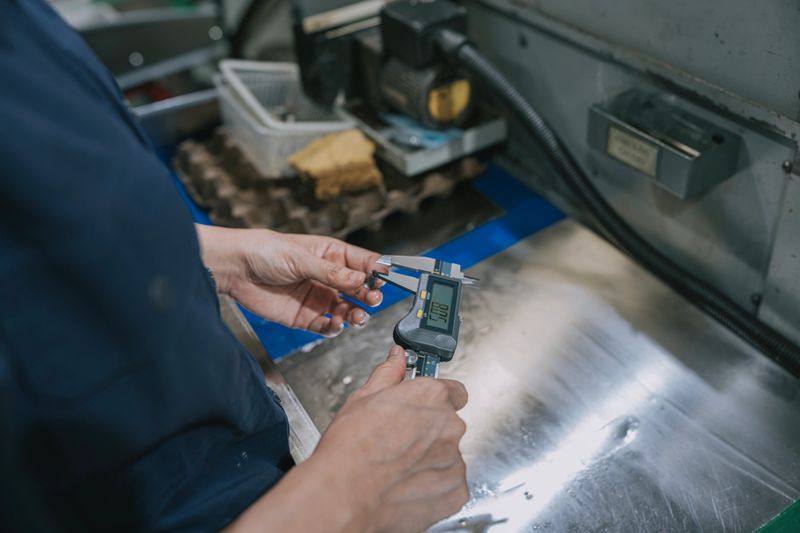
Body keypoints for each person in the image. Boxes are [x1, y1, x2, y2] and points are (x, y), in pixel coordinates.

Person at [0, 0, 469, 531]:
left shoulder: (22, 23)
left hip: (241, 459)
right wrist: (351, 492)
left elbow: (40, 242)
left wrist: (210, 257)